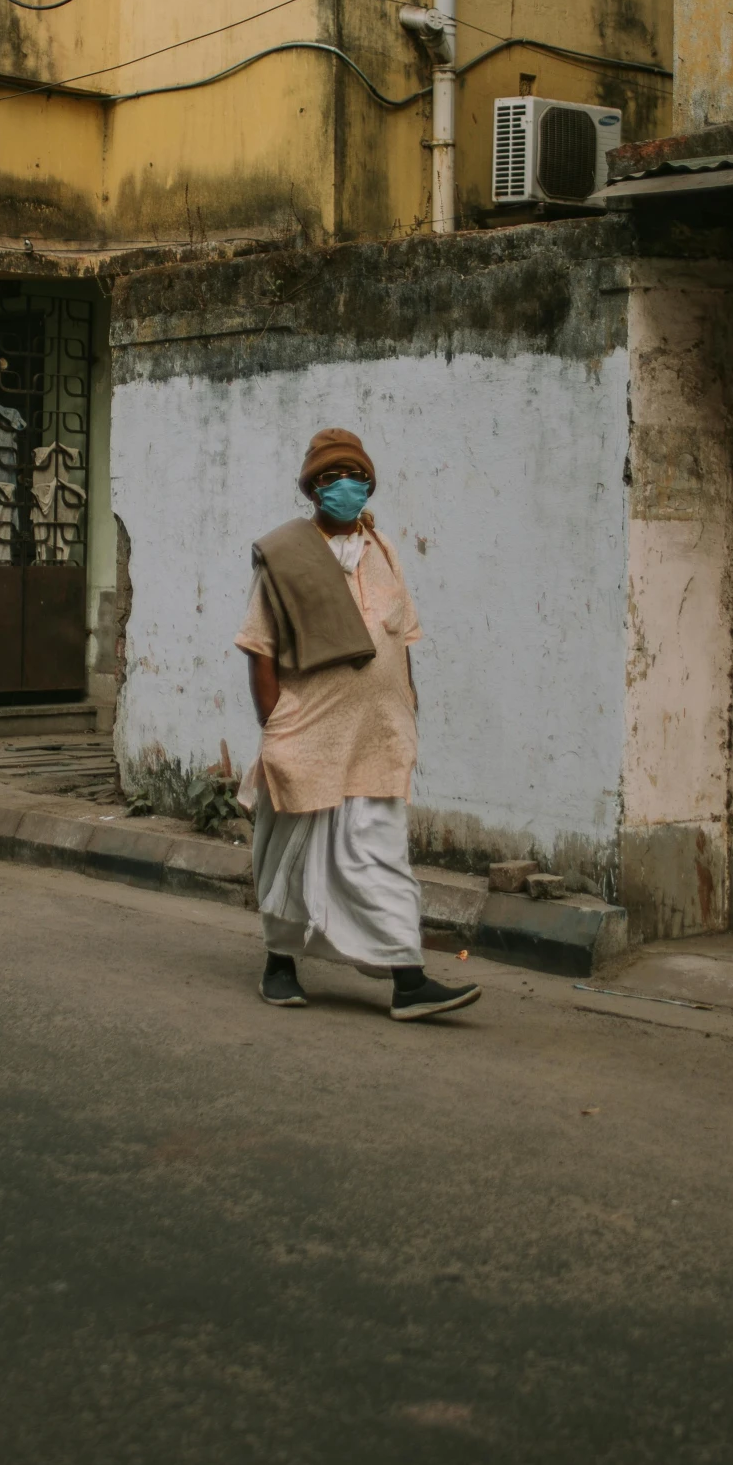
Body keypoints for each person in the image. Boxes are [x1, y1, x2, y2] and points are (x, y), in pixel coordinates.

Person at [235, 427, 481, 1022]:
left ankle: (408, 980)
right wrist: (275, 726)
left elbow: (402, 638)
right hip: (309, 734)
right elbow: (259, 646)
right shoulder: (287, 556)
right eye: (327, 478)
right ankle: (280, 965)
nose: (341, 486)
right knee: (289, 852)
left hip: (377, 736)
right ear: (312, 489)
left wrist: (408, 702)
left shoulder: (385, 551)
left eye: (351, 475)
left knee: (381, 855)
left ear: (368, 483)